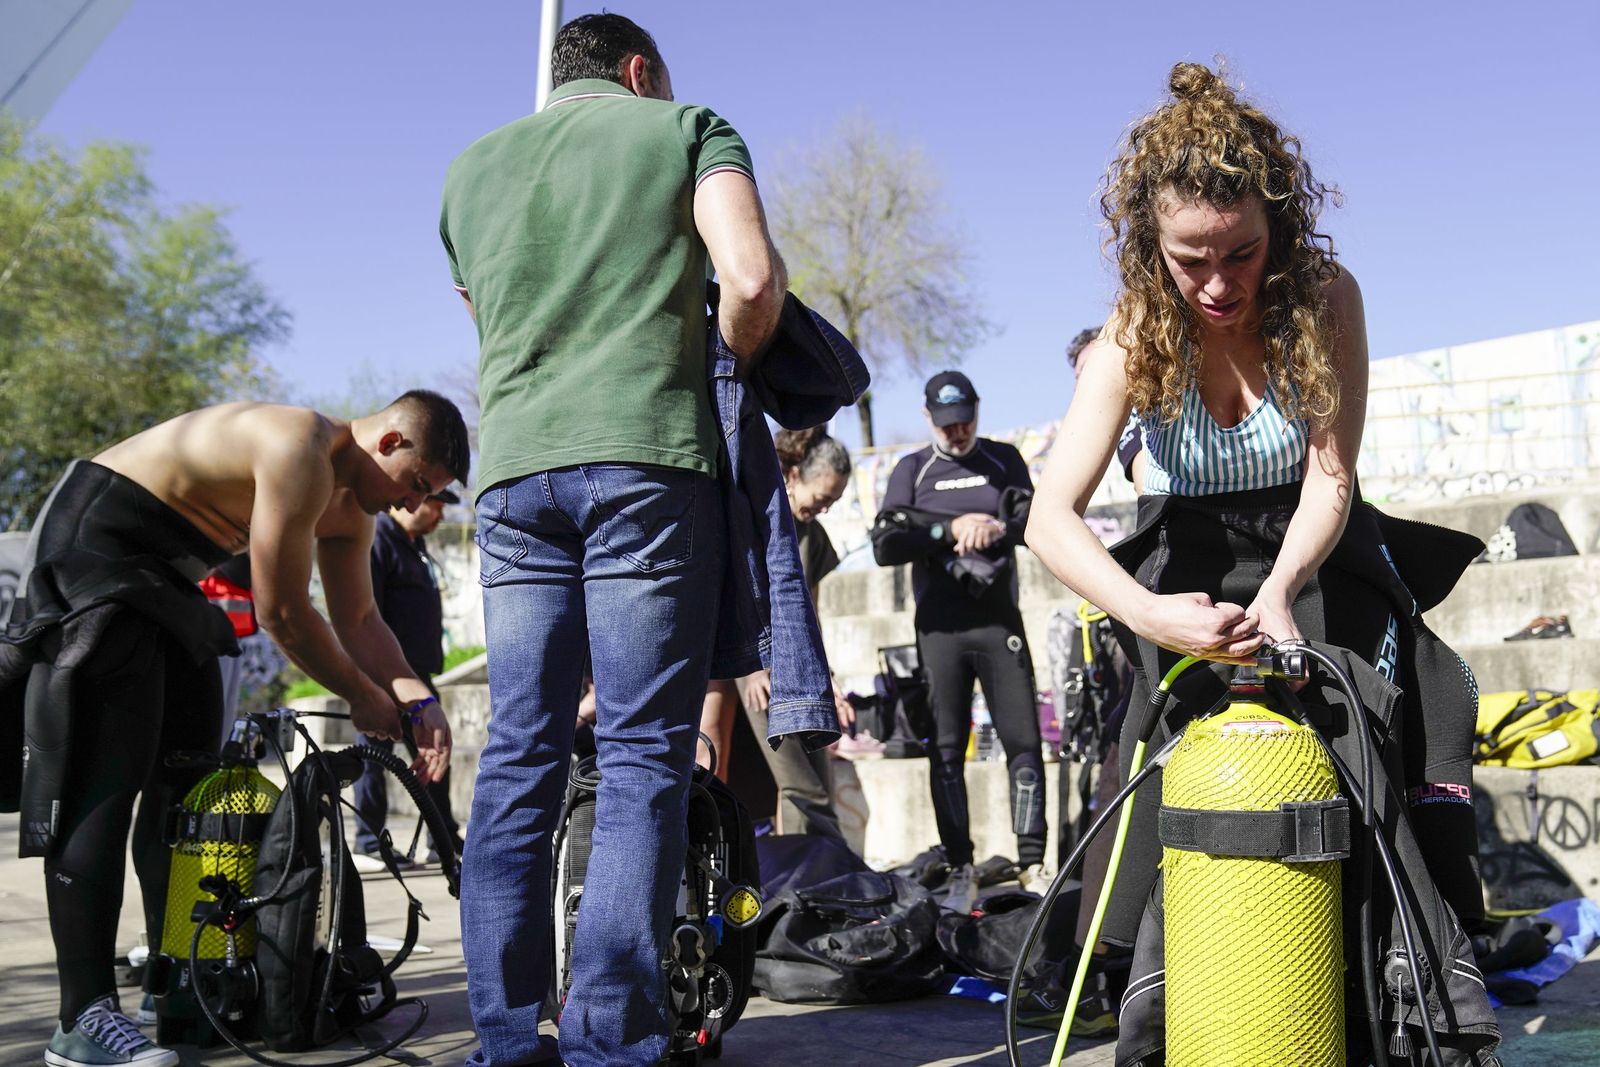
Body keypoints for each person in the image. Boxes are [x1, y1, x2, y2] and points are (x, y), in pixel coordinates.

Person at [1025, 62, 1496, 1061]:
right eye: (1189, 259)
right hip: (1184, 562)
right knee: (1173, 760)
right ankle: (1174, 1007)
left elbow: (1331, 474)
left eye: (1239, 253)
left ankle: (1399, 997)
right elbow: (1049, 520)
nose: (1217, 284)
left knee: (1364, 712)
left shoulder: (1325, 299)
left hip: (1316, 548)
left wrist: (1282, 589)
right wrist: (1152, 616)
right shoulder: (1128, 336)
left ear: (1276, 224)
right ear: (1150, 245)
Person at [438, 14, 786, 1066]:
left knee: (519, 753)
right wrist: (727, 365)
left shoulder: (467, 172)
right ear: (640, 72)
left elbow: (491, 321)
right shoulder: (686, 128)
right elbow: (751, 280)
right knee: (639, 755)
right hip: (642, 458)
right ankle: (606, 1041)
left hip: (512, 472)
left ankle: (506, 1041)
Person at [1, 392, 463, 1067]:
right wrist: (362, 695)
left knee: (187, 790)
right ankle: (83, 1019)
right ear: (390, 441)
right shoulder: (298, 445)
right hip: (96, 548)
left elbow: (360, 619)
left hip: (170, 582)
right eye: (417, 482)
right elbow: (282, 611)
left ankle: (175, 982)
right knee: (103, 783)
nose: (411, 500)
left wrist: (418, 699)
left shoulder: (351, 512)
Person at [873, 370, 1049, 886]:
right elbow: (885, 543)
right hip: (940, 631)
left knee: (1023, 741)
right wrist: (947, 529)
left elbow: (1038, 524)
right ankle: (959, 863)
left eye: (965, 420)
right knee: (946, 749)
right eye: (946, 424)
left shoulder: (1002, 460)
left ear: (977, 410)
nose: (957, 432)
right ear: (928, 417)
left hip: (998, 623)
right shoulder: (913, 469)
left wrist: (995, 528)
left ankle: (1032, 861)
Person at [729, 426, 854, 839]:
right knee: (799, 783)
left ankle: (817, 864)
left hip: (797, 665)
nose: (825, 508)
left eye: (834, 501)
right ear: (796, 475)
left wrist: (827, 679)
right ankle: (822, 866)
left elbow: (811, 615)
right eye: (823, 497)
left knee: (820, 776)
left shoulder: (813, 536)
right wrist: (751, 668)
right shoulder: (757, 516)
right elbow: (736, 590)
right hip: (754, 663)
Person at [352, 488, 464, 872]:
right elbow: (364, 617)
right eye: (437, 506)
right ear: (415, 501)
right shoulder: (378, 539)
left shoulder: (414, 545)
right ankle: (369, 842)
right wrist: (371, 680)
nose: (440, 516)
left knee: (434, 756)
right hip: (386, 674)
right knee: (375, 759)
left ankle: (442, 837)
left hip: (419, 674)